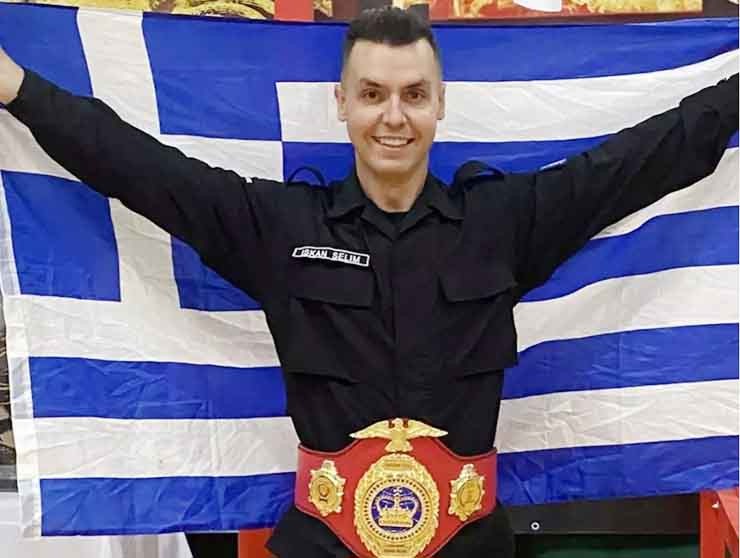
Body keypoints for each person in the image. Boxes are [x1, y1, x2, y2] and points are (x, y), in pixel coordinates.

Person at [0, 7, 737, 558]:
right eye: (373, 93)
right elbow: (138, 167)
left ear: (440, 103)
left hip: (468, 547)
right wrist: (15, 87)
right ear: (342, 102)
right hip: (323, 544)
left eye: (414, 94)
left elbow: (644, 159)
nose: (394, 116)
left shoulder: (504, 221)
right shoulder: (279, 227)